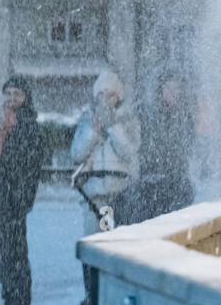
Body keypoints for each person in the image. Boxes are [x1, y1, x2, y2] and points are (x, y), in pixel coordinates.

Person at [0, 76, 45, 305]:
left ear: (25, 97)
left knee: (13, 256)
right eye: (8, 93)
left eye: (17, 93)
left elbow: (28, 167)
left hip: (12, 200)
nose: (11, 98)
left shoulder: (27, 126)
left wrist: (20, 197)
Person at [70, 69, 139, 232]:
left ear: (119, 97)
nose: (106, 100)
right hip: (93, 194)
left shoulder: (128, 120)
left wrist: (113, 127)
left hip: (119, 192)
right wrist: (93, 132)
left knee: (111, 241)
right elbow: (76, 154)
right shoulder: (87, 120)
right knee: (93, 240)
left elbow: (129, 151)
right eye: (102, 94)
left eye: (110, 95)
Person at [130, 70, 197, 222]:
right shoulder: (151, 116)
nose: (173, 93)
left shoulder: (184, 117)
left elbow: (188, 147)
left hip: (178, 181)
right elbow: (146, 147)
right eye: (169, 89)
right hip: (154, 182)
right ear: (161, 91)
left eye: (176, 89)